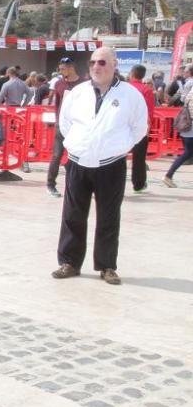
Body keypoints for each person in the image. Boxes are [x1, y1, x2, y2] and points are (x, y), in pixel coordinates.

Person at [52, 47, 147, 286]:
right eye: (93, 62)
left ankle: (106, 266)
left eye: (102, 62)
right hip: (78, 162)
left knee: (108, 216)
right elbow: (65, 123)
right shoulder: (78, 93)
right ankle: (70, 262)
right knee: (73, 215)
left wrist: (119, 147)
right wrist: (77, 146)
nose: (96, 66)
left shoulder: (130, 95)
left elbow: (139, 128)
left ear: (115, 65)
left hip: (111, 165)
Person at [47, 57, 85, 198]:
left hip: (78, 125)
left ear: (71, 67)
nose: (61, 71)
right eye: (60, 68)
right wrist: (56, 120)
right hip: (61, 125)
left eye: (63, 69)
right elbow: (56, 103)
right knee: (56, 155)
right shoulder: (59, 84)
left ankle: (76, 184)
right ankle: (50, 184)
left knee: (77, 156)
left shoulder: (83, 84)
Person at [127, 64, 156, 193]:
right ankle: (138, 184)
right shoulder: (147, 91)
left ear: (132, 73)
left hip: (122, 127)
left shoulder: (124, 88)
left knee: (117, 156)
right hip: (139, 128)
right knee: (139, 158)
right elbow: (149, 112)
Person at [162, 88, 193, 188]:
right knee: (187, 154)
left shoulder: (190, 92)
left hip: (186, 127)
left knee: (187, 153)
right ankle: (168, 175)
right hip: (191, 128)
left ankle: (169, 175)